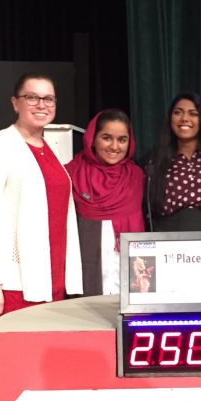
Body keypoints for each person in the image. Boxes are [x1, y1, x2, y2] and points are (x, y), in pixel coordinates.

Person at [0, 72, 82, 319]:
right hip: (14, 285)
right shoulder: (0, 147)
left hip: (52, 279)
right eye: (32, 97)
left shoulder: (48, 149)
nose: (41, 105)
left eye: (48, 99)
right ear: (15, 103)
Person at [65, 109, 145, 295]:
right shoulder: (71, 175)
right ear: (93, 138)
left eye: (122, 140)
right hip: (85, 273)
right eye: (107, 138)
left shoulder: (137, 177)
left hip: (129, 274)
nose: (115, 146)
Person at [146, 92, 201, 231]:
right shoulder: (155, 160)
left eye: (193, 114)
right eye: (178, 113)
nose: (184, 119)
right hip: (168, 238)